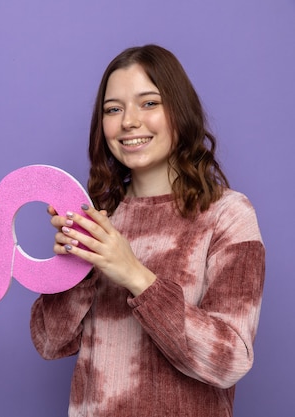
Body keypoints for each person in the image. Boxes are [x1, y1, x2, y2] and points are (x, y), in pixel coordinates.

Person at [30, 44, 265, 417]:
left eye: (149, 103)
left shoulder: (228, 215)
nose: (128, 121)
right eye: (113, 109)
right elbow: (49, 343)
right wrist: (78, 270)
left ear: (179, 111)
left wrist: (134, 274)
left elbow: (230, 360)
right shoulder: (99, 219)